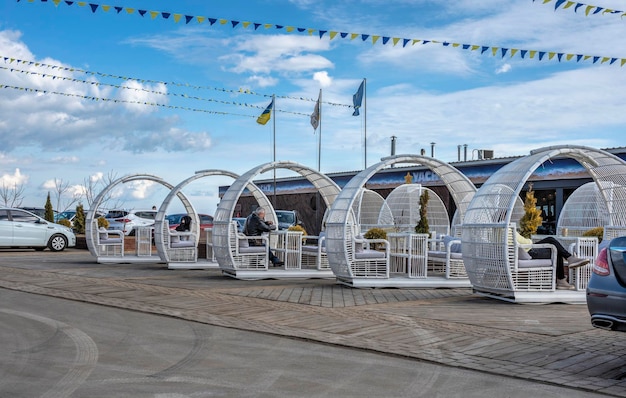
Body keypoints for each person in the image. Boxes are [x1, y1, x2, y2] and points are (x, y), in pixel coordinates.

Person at [516, 232, 590, 290]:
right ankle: (568, 261)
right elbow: (524, 242)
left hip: (526, 250)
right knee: (555, 247)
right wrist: (529, 240)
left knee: (551, 240)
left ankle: (569, 261)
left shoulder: (506, 230)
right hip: (528, 252)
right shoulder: (509, 229)